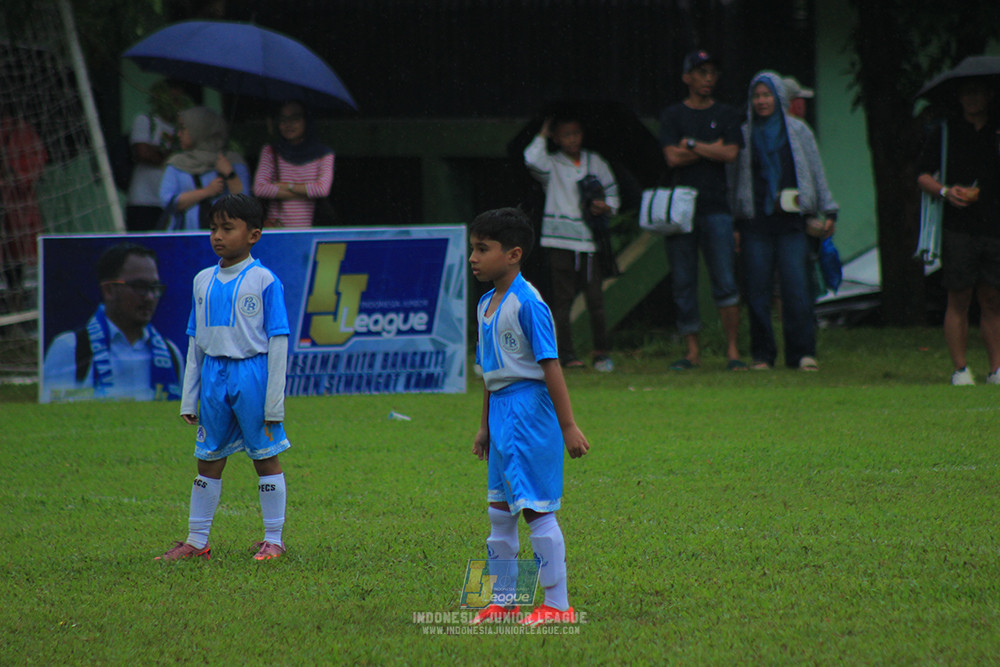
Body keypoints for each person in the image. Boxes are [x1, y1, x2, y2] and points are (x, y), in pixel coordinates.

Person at [467, 207, 590, 627]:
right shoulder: (486, 303)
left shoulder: (529, 303)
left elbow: (551, 365)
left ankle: (558, 606)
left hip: (527, 410)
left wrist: (568, 425)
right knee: (499, 513)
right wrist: (484, 426)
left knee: (536, 508)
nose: (474, 258)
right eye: (473, 248)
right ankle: (505, 599)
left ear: (514, 254)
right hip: (501, 411)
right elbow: (488, 372)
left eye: (483, 249)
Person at [157, 194, 291, 562]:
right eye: (214, 227)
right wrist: (189, 398)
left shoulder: (264, 280)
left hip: (252, 375)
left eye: (227, 228)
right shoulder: (202, 280)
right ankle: (197, 541)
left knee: (265, 458)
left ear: (254, 235)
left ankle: (273, 540)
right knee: (208, 460)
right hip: (214, 378)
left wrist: (274, 403)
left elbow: (278, 342)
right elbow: (194, 343)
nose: (218, 235)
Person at [732, 71, 838, 371]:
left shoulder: (799, 131)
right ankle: (762, 355)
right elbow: (735, 181)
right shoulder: (743, 134)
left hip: (792, 225)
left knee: (797, 290)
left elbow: (815, 172)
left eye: (767, 95)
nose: (762, 101)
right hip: (755, 224)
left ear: (779, 98)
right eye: (757, 96)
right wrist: (734, 221)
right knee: (757, 293)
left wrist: (828, 210)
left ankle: (802, 354)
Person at [659, 50, 746, 371]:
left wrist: (693, 146)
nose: (708, 78)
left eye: (712, 72)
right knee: (684, 280)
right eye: (701, 71)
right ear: (687, 77)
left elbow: (732, 153)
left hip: (718, 208)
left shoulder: (726, 113)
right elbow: (671, 158)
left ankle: (733, 352)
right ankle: (692, 352)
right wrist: (713, 148)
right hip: (681, 212)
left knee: (725, 279)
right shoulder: (672, 115)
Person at [917, 78, 1000, 386]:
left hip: (993, 225)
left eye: (977, 91)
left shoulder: (996, 130)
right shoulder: (946, 131)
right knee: (959, 296)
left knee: (992, 298)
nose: (972, 98)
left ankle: (996, 369)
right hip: (957, 227)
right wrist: (945, 192)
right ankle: (961, 369)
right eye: (966, 93)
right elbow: (922, 175)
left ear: (989, 95)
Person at [523, 114, 619, 371]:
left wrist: (605, 206)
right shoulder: (551, 164)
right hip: (560, 240)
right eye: (566, 134)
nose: (572, 138)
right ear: (556, 137)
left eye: (576, 133)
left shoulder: (594, 161)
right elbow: (531, 158)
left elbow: (613, 193)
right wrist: (544, 130)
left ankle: (601, 353)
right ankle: (566, 354)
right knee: (562, 300)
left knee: (595, 300)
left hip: (590, 241)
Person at [42, 242, 183, 402]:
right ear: (108, 290)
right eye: (139, 286)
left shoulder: (171, 354)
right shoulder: (70, 348)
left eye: (154, 287)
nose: (150, 297)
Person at [159, 106, 249, 231]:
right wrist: (208, 191)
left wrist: (229, 174)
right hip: (184, 238)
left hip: (225, 240)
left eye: (184, 129)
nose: (179, 134)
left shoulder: (231, 160)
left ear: (200, 129)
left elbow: (244, 203)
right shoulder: (177, 163)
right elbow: (167, 201)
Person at [253, 100, 335, 228]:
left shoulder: (324, 154)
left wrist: (285, 186)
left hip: (310, 230)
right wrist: (307, 192)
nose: (288, 124)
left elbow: (322, 190)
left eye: (295, 118)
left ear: (306, 121)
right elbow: (260, 188)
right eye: (283, 119)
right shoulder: (270, 151)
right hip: (277, 229)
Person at [125, 79, 192, 232]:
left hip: (171, 201)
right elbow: (143, 153)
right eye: (171, 97)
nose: (175, 102)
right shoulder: (146, 120)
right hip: (143, 199)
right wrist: (173, 157)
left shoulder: (180, 128)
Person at [1, 106, 48, 312]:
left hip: (15, 204)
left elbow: (35, 162)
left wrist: (13, 173)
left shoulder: (20, 131)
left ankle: (15, 308)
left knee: (15, 260)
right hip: (15, 202)